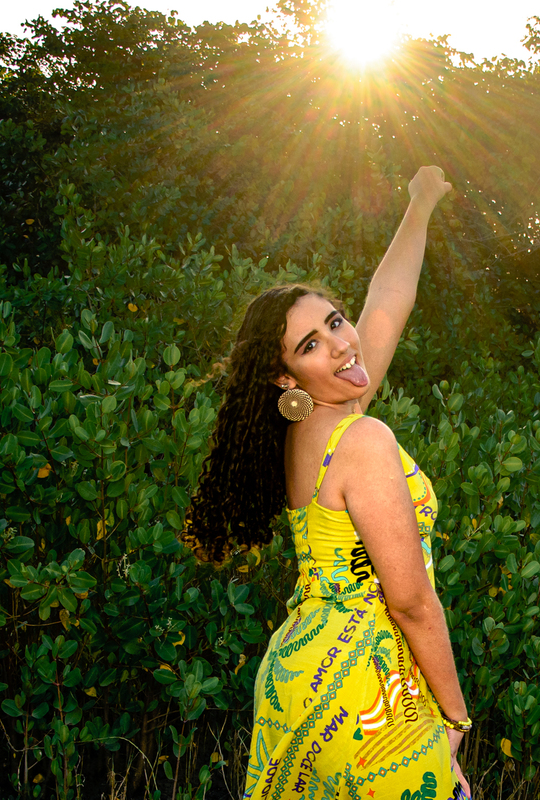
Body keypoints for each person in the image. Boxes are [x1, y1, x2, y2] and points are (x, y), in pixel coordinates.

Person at [184, 166, 471, 799]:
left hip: (302, 675)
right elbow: (411, 602)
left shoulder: (312, 431)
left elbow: (388, 304)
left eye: (336, 322)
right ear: (286, 378)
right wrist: (453, 717)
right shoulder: (362, 440)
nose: (342, 345)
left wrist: (419, 204)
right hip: (367, 687)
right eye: (311, 345)